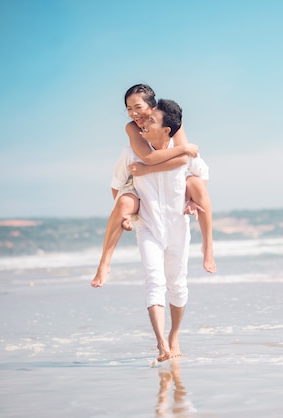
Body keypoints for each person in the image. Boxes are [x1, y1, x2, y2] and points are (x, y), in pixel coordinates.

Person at [90, 84, 216, 289]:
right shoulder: (132, 128)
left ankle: (208, 248)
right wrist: (183, 149)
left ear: (152, 105)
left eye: (138, 107)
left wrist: (190, 197)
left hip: (165, 184)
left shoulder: (171, 121)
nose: (133, 113)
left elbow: (184, 161)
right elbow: (149, 158)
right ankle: (104, 263)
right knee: (122, 204)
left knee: (196, 184)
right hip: (136, 184)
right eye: (129, 109)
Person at [110, 98, 205, 361]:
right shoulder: (131, 151)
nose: (137, 117)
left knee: (177, 284)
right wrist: (128, 212)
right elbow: (117, 185)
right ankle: (161, 344)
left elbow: (200, 173)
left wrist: (191, 199)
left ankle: (174, 336)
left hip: (177, 226)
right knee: (154, 282)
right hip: (148, 225)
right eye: (130, 109)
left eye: (144, 113)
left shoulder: (179, 148)